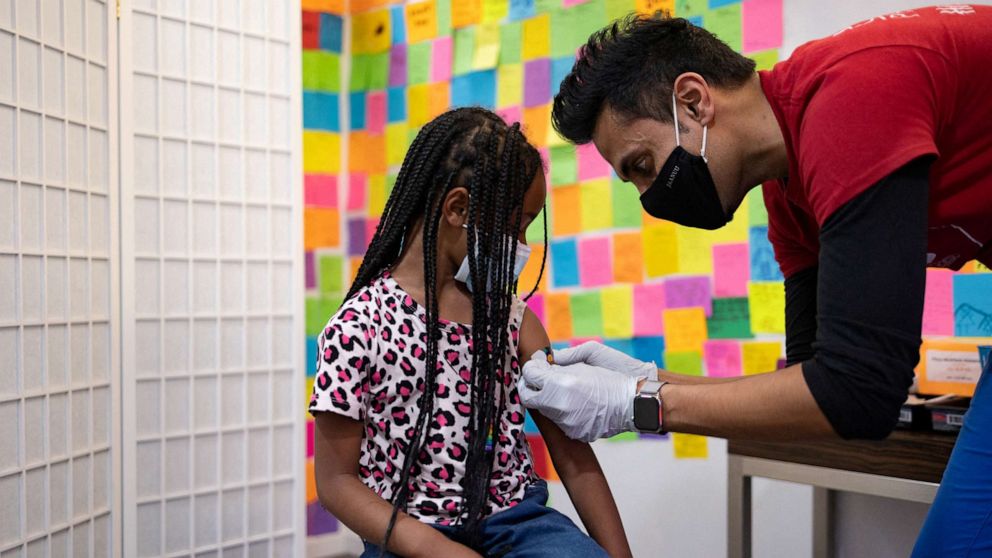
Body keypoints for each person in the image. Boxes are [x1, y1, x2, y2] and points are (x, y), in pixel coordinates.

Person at [519, 8, 992, 556]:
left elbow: (860, 391)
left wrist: (640, 405)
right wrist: (650, 379)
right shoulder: (790, 196)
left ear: (694, 101)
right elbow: (817, 388)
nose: (651, 197)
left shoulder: (851, 95)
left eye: (644, 164)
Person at [309, 108, 632, 558]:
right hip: (403, 533)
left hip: (519, 525)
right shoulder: (357, 329)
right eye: (516, 224)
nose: (521, 245)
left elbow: (572, 456)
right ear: (457, 208)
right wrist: (431, 546)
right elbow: (336, 482)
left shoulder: (514, 324)